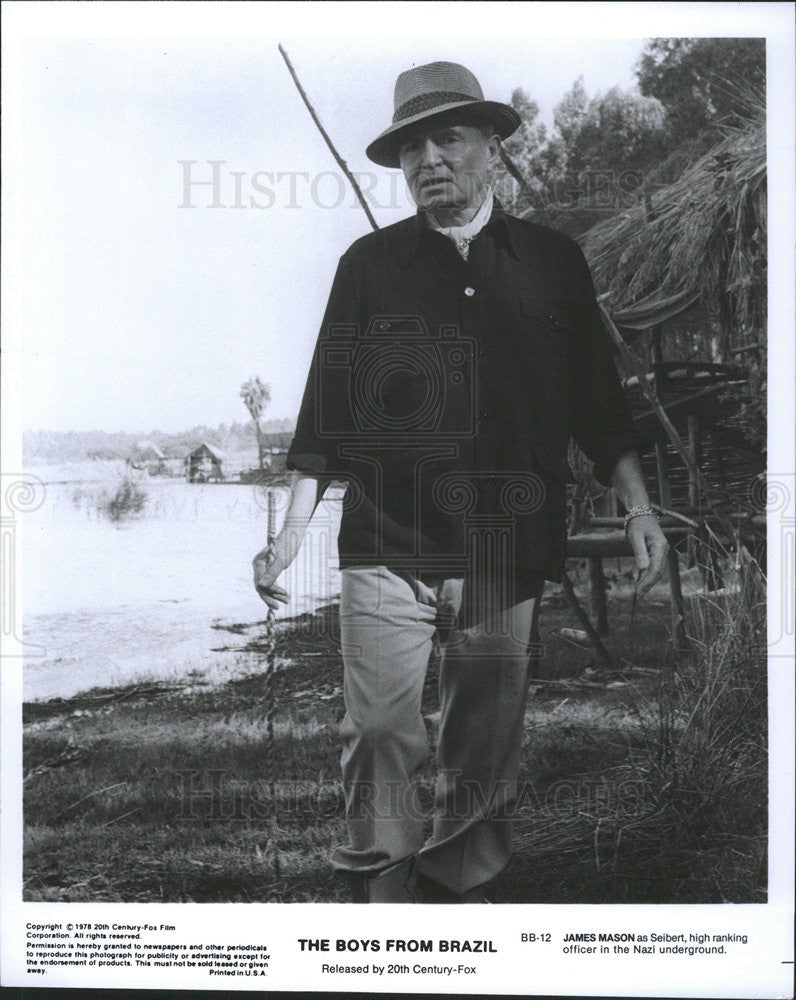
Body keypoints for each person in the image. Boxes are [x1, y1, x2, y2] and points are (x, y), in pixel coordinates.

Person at [253, 61, 668, 902]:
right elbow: (326, 411)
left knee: (483, 743)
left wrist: (638, 507)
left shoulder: (554, 263)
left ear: (491, 146)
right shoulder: (368, 265)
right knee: (377, 731)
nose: (429, 159)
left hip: (503, 547)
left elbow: (596, 399)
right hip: (387, 539)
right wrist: (291, 530)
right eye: (413, 146)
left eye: (448, 137)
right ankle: (387, 906)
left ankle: (458, 906)